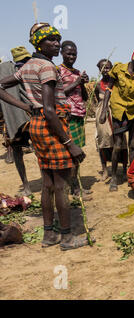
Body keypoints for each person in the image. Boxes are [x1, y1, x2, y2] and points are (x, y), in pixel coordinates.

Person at [0, 23, 91, 250]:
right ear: (38, 43)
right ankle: (68, 238)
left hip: (37, 125)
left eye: (58, 39)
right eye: (51, 40)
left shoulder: (28, 65)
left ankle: (49, 235)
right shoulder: (47, 68)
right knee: (61, 185)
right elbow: (50, 110)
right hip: (53, 124)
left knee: (48, 183)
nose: (57, 44)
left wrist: (26, 106)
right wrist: (70, 144)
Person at [99, 49, 134, 191]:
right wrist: (104, 111)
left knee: (133, 146)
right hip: (119, 111)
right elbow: (108, 90)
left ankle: (132, 175)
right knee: (118, 145)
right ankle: (114, 176)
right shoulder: (118, 69)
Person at [58, 41, 91, 200]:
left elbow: (83, 96)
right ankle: (75, 189)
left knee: (77, 153)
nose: (72, 57)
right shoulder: (58, 71)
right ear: (61, 53)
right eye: (68, 53)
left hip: (79, 115)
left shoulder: (77, 72)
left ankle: (76, 186)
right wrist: (76, 82)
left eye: (74, 54)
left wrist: (83, 84)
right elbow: (58, 93)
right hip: (67, 116)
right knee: (72, 154)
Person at [0, 46, 32, 195]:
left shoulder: (28, 70)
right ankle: (26, 186)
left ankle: (29, 186)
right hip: (17, 116)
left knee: (37, 149)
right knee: (18, 150)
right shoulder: (8, 71)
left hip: (28, 115)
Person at [94, 59, 128, 181]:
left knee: (122, 141)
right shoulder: (98, 85)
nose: (105, 71)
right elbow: (98, 101)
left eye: (108, 68)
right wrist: (101, 113)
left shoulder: (117, 83)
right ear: (99, 70)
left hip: (116, 114)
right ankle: (105, 170)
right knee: (103, 141)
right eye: (103, 68)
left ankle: (124, 169)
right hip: (102, 116)